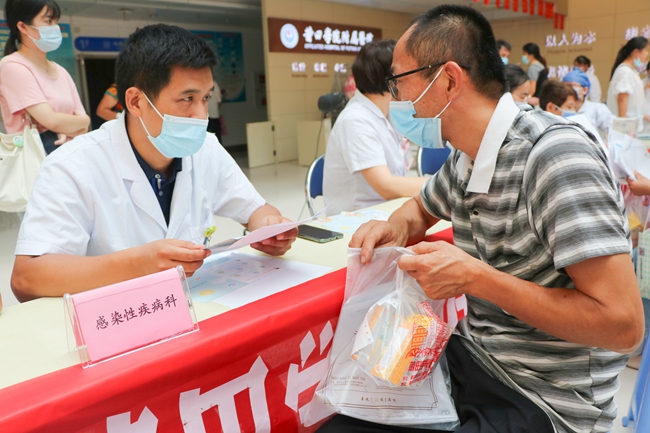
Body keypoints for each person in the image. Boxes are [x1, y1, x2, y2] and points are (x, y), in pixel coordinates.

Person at [320, 5, 644, 433]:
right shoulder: (467, 156)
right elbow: (420, 207)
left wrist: (477, 279)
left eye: (398, 83)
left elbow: (623, 326)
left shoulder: (556, 158)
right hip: (477, 362)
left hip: (546, 398)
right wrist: (395, 227)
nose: (395, 99)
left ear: (449, 80)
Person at [10, 24, 297, 302]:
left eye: (206, 98)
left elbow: (256, 209)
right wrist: (138, 263)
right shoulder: (72, 165)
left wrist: (270, 227)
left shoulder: (206, 149)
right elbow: (26, 279)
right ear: (136, 102)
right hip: (119, 318)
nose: (201, 115)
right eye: (187, 98)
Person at [322, 39, 426, 216]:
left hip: (388, 209)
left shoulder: (387, 111)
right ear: (391, 79)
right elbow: (386, 186)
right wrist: (441, 184)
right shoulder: (355, 120)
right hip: (357, 220)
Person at [0, 0, 89, 154]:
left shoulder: (61, 71)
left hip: (72, 157)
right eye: (48, 21)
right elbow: (51, 120)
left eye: (56, 21)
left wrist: (77, 123)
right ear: (23, 27)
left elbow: (85, 124)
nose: (55, 27)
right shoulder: (12, 66)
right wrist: (75, 124)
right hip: (39, 160)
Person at [607, 36, 649, 134]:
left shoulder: (631, 72)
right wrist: (624, 128)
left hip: (632, 129)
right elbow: (622, 99)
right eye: (646, 50)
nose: (647, 54)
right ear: (636, 52)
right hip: (626, 130)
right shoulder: (625, 72)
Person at [562, 69, 613, 136]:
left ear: (585, 90)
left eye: (571, 86)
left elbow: (613, 128)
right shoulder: (558, 109)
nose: (567, 90)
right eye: (564, 87)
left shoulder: (598, 109)